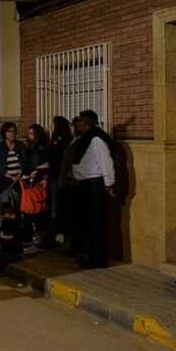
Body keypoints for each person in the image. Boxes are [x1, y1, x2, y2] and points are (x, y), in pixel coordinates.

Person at [71, 110, 115, 269]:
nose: (77, 124)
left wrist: (109, 184)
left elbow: (105, 162)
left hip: (94, 185)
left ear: (86, 123)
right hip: (85, 185)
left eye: (80, 121)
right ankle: (88, 255)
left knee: (95, 223)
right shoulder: (86, 138)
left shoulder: (96, 139)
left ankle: (99, 258)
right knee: (86, 222)